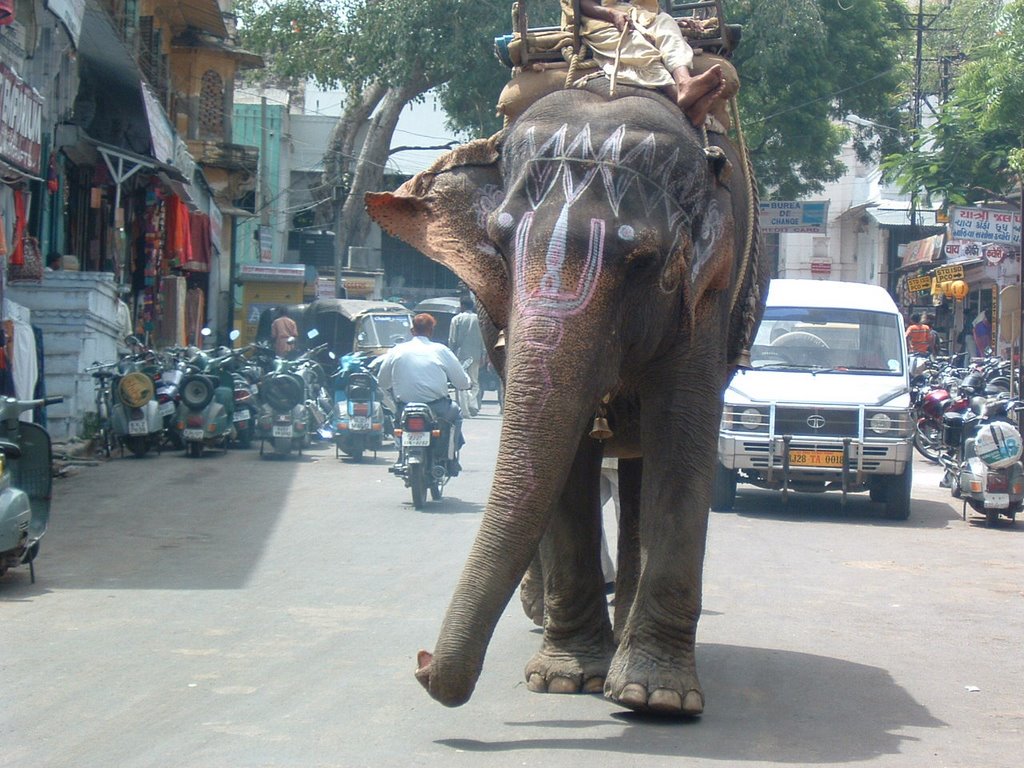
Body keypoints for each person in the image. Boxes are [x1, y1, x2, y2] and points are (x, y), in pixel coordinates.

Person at [577, 0, 725, 127]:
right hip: (599, 19)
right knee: (638, 46)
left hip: (639, 15)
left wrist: (674, 22)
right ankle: (682, 103)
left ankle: (684, 82)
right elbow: (581, 3)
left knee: (667, 25)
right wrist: (612, 15)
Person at [377, 313, 472, 473]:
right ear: (431, 331)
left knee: (396, 420)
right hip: (438, 408)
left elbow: (382, 382)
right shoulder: (441, 350)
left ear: (412, 330)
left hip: (405, 408)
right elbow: (461, 382)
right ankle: (451, 459)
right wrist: (467, 383)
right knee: (456, 414)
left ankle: (401, 454)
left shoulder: (397, 350)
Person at [448, 295, 485, 418]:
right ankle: (472, 403)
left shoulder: (456, 319)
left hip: (461, 356)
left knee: (462, 383)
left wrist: (450, 355)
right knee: (474, 382)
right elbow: (484, 339)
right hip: (475, 355)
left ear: (462, 306)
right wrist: (483, 355)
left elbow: (452, 339)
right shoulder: (479, 320)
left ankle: (465, 410)